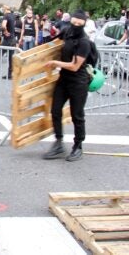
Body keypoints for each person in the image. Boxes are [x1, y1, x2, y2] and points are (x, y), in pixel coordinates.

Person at [42, 10, 92, 162]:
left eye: (79, 24)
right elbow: (52, 43)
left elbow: (75, 66)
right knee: (55, 110)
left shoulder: (84, 41)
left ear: (83, 24)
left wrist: (55, 63)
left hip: (78, 82)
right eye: (74, 22)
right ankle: (58, 142)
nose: (75, 26)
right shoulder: (67, 32)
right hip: (63, 79)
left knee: (77, 115)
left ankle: (78, 146)